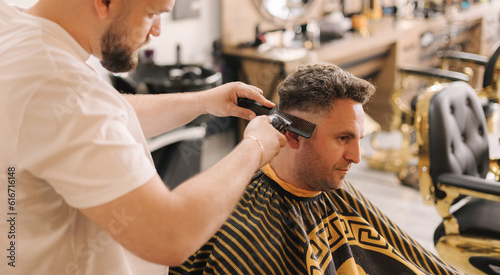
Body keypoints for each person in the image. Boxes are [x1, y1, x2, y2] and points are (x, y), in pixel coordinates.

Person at [0, 0, 286, 274]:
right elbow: (172, 233)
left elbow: (101, 116)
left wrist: (203, 102)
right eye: (153, 12)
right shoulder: (65, 87)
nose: (157, 30)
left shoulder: (13, 26)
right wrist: (254, 147)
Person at [169, 63, 461, 275]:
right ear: (293, 135)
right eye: (343, 138)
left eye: (357, 139)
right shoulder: (246, 238)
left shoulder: (329, 183)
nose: (356, 157)